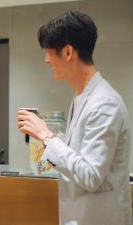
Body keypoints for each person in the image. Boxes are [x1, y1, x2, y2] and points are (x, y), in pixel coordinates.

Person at [17, 11, 132, 225]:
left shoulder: (104, 103)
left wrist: (46, 135)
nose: (46, 59)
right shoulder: (81, 97)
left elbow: (90, 175)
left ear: (68, 52)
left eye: (48, 52)